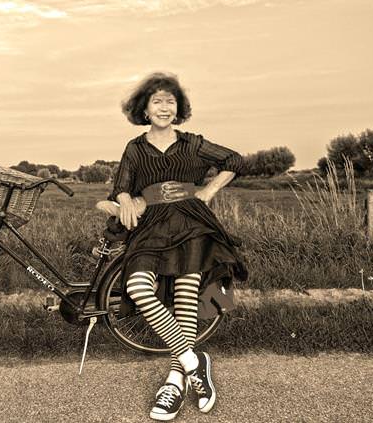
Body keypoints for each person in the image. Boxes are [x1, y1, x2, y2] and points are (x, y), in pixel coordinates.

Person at [108, 72, 248, 421]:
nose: (165, 107)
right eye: (157, 101)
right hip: (152, 226)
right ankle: (193, 361)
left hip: (191, 221)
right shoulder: (135, 148)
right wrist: (125, 199)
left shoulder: (192, 143)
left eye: (171, 101)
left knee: (186, 297)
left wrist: (208, 191)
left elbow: (234, 161)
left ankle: (173, 381)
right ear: (144, 108)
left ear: (179, 108)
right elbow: (121, 187)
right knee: (139, 286)